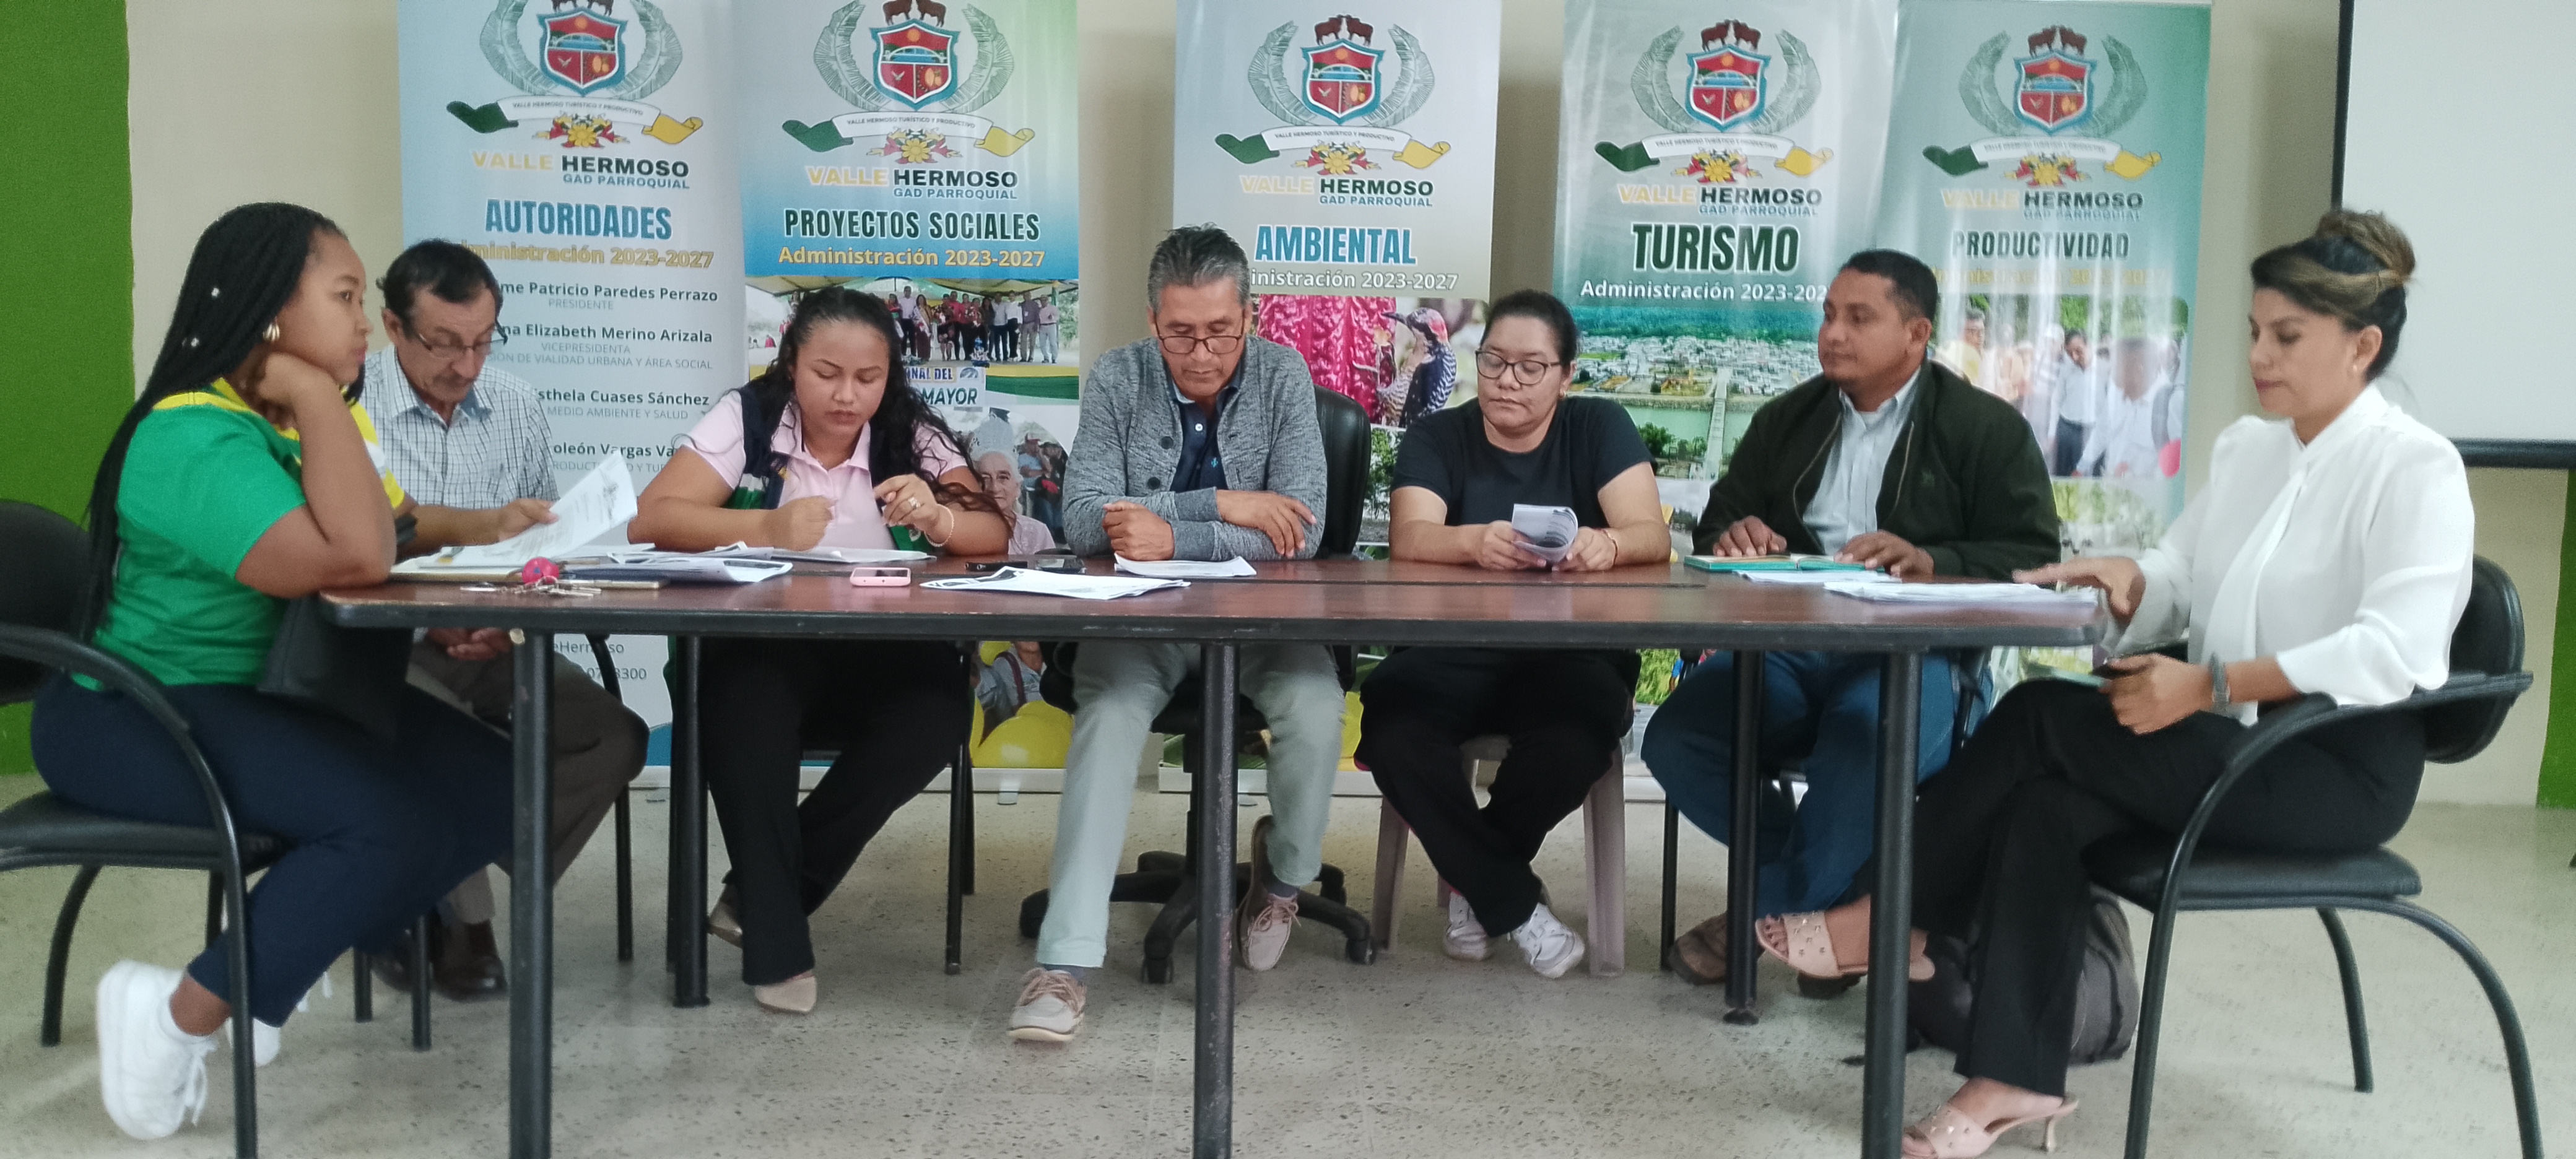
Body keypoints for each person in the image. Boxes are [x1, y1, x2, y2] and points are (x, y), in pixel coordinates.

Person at [1769, 212, 2461, 1158]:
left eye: (2286, 337)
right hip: (2229, 746)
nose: (2258, 355)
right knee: (2045, 807)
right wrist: (2131, 579)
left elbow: (2399, 651)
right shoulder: (2251, 450)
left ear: (2363, 346)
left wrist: (2209, 684)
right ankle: (2012, 1077)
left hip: (2330, 769)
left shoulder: (2416, 468)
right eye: (2255, 331)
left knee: (2039, 716)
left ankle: (1887, 915)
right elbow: (2179, 569)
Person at [33, 203, 511, 1140]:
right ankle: (176, 1015)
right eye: (345, 297)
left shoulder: (290, 423)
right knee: (384, 825)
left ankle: (261, 973)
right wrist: (316, 391)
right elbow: (355, 556)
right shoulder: (191, 432)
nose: (365, 322)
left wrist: (433, 623)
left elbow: (373, 552)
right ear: (269, 314)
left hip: (269, 691)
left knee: (495, 785)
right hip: (132, 714)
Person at [1643, 250, 2058, 987]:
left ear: (1916, 333)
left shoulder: (1984, 429)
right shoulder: (1786, 419)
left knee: (1865, 738)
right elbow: (1715, 527)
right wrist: (1737, 534)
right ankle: (1841, 906)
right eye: (1828, 315)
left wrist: (1933, 558)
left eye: (1858, 318)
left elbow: (2032, 556)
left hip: (1916, 658)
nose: (1831, 333)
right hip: (1787, 648)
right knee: (1680, 739)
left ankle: (1762, 913)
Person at [629, 287, 1008, 1015]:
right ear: (791, 365)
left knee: (936, 715)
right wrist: (766, 529)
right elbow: (652, 519)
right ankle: (777, 947)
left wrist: (938, 518)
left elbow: (991, 532)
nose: (846, 396)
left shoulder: (908, 431)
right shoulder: (748, 417)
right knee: (746, 705)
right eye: (826, 374)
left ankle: (764, 895)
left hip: (883, 652)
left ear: (889, 376)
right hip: (762, 643)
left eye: (868, 378)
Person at [1008, 225, 1342, 1043]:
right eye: (1180, 333)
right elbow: (1084, 519)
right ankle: (1064, 963)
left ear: (1249, 318)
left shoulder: (1283, 375)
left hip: (1263, 617)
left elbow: (1301, 528)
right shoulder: (1118, 376)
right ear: (1152, 320)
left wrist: (1172, 531)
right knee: (1108, 716)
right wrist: (1223, 505)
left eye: (1220, 332)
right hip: (1140, 618)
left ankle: (1283, 883)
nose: (1201, 353)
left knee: (1315, 706)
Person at [355, 239, 649, 1002]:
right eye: (444, 344)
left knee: (614, 737)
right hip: (387, 650)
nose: (466, 366)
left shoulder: (515, 406)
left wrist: (511, 625)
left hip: (498, 640)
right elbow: (355, 549)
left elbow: (544, 556)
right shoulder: (348, 410)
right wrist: (430, 623)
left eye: (482, 342)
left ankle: (417, 879)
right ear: (394, 327)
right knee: (445, 738)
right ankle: (469, 924)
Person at [1355, 290, 1671, 978]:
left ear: (1566, 374)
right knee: (1391, 730)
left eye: (1531, 368)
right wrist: (1473, 542)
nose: (1507, 380)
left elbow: (1652, 536)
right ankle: (1513, 903)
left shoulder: (1598, 426)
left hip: (1569, 654)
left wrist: (1608, 545)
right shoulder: (1440, 435)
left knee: (1577, 737)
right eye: (1494, 361)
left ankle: (1477, 885)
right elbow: (1410, 538)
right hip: (1448, 649)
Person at [2077, 334, 2182, 481]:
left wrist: (2135, 476)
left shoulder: (2170, 403)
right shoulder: (2116, 390)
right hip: (2110, 483)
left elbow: (2177, 468)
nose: (2112, 375)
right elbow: (2102, 431)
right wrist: (2082, 467)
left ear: (2137, 370)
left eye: (2117, 368)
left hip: (2145, 490)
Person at [976, 447, 1058, 555]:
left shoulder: (1037, 532)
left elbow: (1050, 566)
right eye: (985, 479)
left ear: (1017, 486)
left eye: (1003, 477)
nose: (995, 488)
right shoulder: (963, 533)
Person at [2044, 329, 2099, 476]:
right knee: (2063, 475)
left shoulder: (2104, 370)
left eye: (2079, 351)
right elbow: (2056, 401)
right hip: (2067, 428)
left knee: (2089, 475)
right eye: (2069, 353)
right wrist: (2052, 433)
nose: (2074, 357)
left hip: (2091, 430)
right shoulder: (2066, 370)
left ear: (2088, 346)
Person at [1035, 294, 1061, 363]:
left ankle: (1054, 358)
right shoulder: (1040, 309)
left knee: (1053, 342)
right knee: (1042, 344)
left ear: (1047, 301)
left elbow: (1057, 316)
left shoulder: (1053, 308)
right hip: (1042, 326)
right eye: (1042, 300)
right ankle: (1046, 357)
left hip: (1051, 325)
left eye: (1045, 300)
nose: (1043, 302)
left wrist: (1052, 317)